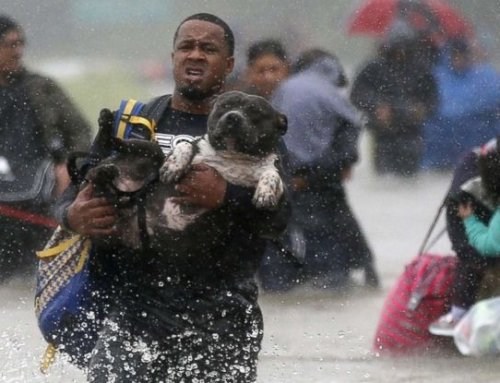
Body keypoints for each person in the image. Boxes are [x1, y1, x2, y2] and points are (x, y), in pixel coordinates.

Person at [54, 13, 289, 382]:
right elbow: (70, 195)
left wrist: (227, 195)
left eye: (208, 49)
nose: (195, 55)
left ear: (228, 64)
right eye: (186, 47)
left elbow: (282, 221)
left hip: (223, 318)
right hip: (133, 313)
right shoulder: (132, 123)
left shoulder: (257, 134)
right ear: (173, 57)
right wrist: (72, 216)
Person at [265, 48, 379, 291]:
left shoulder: (284, 90)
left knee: (292, 254)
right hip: (318, 182)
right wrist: (341, 164)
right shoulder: (331, 95)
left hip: (288, 183)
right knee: (330, 258)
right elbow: (352, 127)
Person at [0, 15, 92, 282]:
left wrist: (69, 167)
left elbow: (80, 131)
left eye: (21, 43)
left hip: (40, 177)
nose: (18, 51)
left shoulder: (42, 88)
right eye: (10, 44)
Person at [429, 138, 500, 336]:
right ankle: (459, 316)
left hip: (481, 230)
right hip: (472, 232)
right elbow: (485, 245)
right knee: (471, 263)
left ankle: (459, 315)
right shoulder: (470, 174)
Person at [350, 27, 438, 177]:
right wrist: (377, 106)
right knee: (385, 180)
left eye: (405, 48)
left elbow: (432, 99)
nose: (401, 53)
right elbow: (357, 94)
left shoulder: (421, 70)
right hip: (383, 134)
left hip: (412, 133)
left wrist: (421, 109)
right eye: (397, 48)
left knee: (409, 180)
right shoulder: (374, 68)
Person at [421, 38, 500, 170]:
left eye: (462, 55)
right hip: (442, 131)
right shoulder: (437, 76)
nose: (459, 59)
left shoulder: (485, 75)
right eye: (455, 55)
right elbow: (431, 102)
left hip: (477, 128)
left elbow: (493, 99)